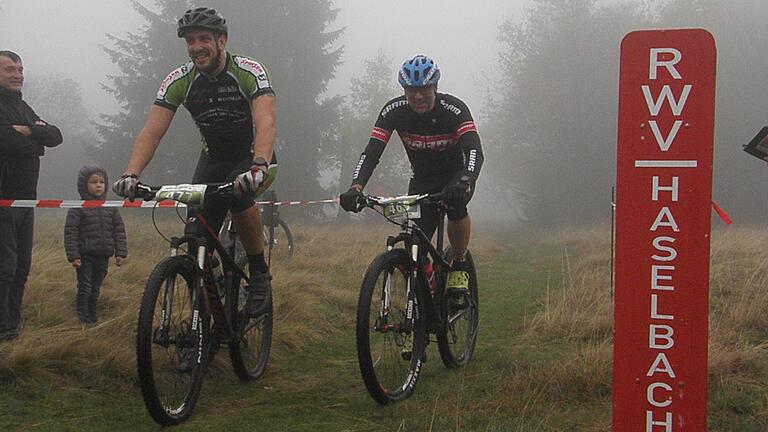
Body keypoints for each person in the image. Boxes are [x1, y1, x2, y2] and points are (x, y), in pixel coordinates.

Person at [112, 7, 277, 317]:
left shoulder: (248, 70)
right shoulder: (179, 80)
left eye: (204, 39)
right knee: (195, 240)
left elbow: (266, 122)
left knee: (241, 197)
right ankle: (204, 327)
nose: (196, 47)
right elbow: (152, 131)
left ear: (222, 40)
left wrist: (258, 166)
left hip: (252, 155)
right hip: (213, 158)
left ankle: (258, 273)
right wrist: (131, 173)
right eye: (190, 41)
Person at [339, 55, 484, 287]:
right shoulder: (393, 111)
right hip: (423, 180)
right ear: (404, 89)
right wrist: (356, 187)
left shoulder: (454, 109)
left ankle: (459, 264)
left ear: (435, 86)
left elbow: (475, 150)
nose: (417, 96)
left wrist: (466, 179)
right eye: (411, 89)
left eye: (424, 89)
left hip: (456, 177)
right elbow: (371, 153)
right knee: (413, 240)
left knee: (457, 206)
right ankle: (426, 285)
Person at [0, 50, 63, 341]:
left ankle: (13, 326)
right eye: (10, 69)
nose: (17, 75)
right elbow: (9, 143)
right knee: (5, 267)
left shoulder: (23, 107)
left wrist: (28, 131)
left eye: (20, 69)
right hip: (3, 201)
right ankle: (2, 328)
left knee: (22, 267)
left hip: (27, 200)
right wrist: (36, 142)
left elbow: (55, 136)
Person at [65, 165, 128, 325]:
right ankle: (83, 319)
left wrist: (120, 253)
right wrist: (74, 256)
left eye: (102, 182)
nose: (98, 185)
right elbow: (71, 232)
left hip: (103, 256)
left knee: (95, 289)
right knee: (85, 288)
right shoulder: (78, 208)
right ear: (83, 185)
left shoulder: (110, 208)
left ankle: (93, 317)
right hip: (85, 257)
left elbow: (119, 231)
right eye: (93, 182)